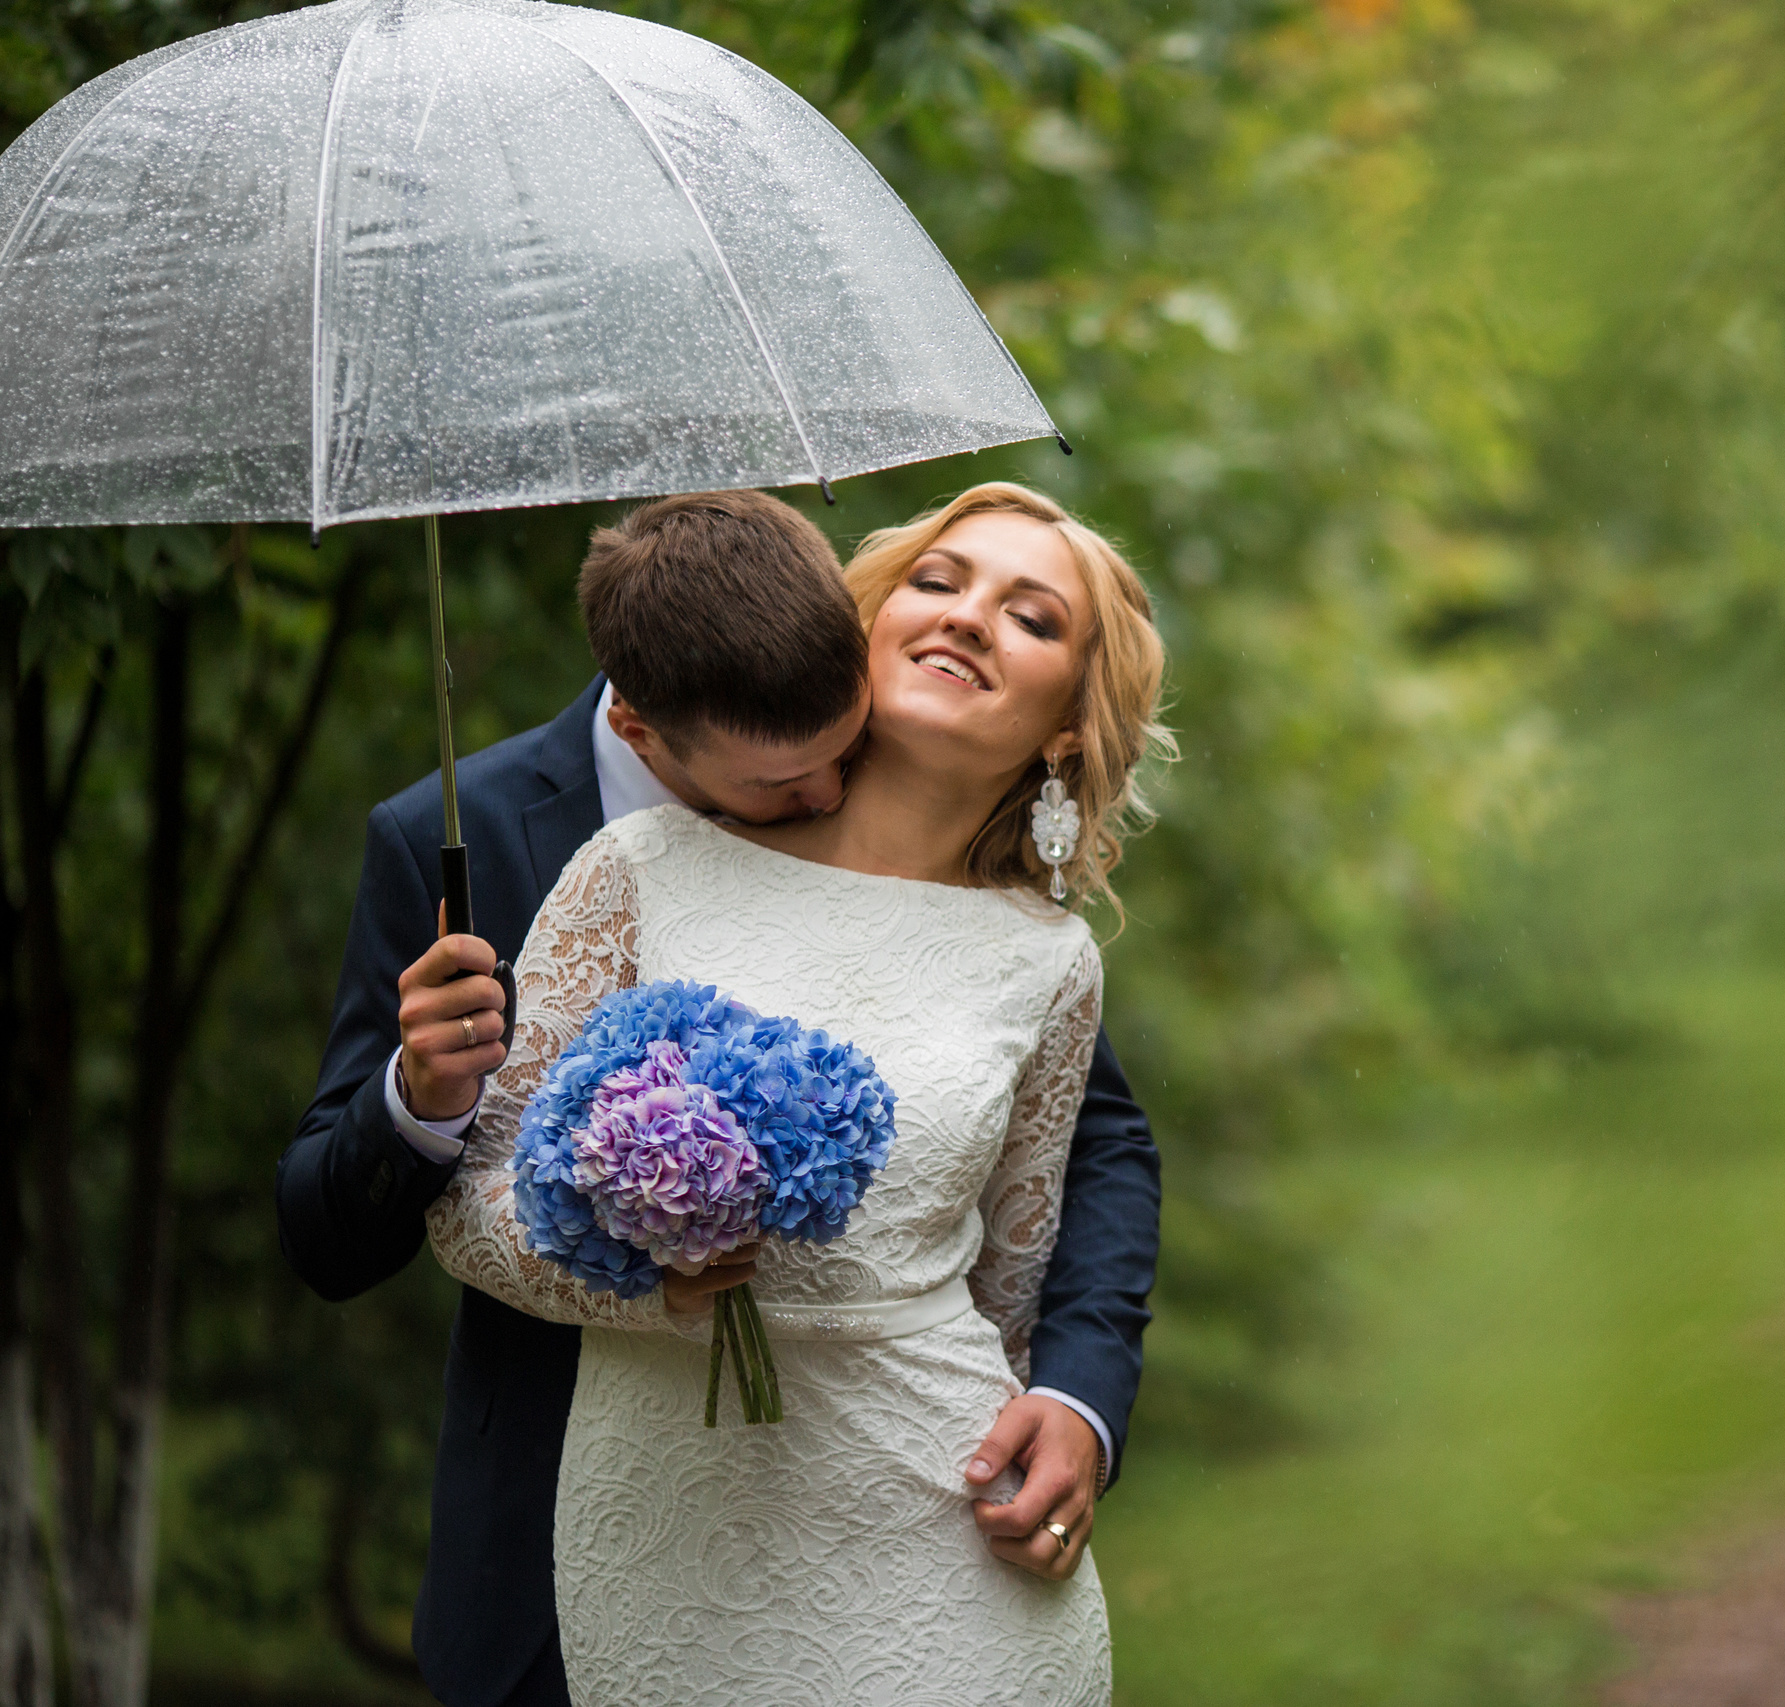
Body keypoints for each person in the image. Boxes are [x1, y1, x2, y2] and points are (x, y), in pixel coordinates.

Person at [275, 489, 1162, 1707]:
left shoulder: (1043, 955)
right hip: (619, 1524)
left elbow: (1048, 1223)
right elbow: (447, 1204)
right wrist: (625, 1251)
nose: (968, 618)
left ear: (1069, 723)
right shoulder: (605, 858)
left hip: (937, 1529)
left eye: (1032, 615)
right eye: (938, 579)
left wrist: (1068, 1404)